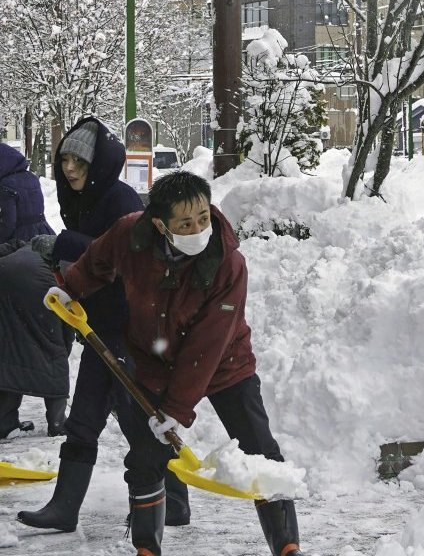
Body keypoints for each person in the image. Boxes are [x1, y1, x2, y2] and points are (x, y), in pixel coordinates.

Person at [44, 171, 304, 556]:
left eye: (203, 216)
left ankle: (287, 545)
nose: (198, 227)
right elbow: (97, 261)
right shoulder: (130, 235)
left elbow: (208, 344)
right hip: (154, 361)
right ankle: (146, 547)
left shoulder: (227, 263)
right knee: (147, 456)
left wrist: (176, 410)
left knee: (260, 450)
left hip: (225, 365)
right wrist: (69, 290)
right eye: (185, 222)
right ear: (160, 224)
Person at [19, 117, 191, 532]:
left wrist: (64, 245)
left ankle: (175, 500)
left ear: (97, 164)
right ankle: (64, 508)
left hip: (131, 331)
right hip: (100, 328)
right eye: (65, 160)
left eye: (79, 161)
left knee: (137, 420)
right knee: (84, 420)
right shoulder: (82, 200)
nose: (70, 169)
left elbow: (126, 259)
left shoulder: (122, 200)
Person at [0, 241, 72, 438]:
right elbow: (68, 320)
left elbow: (9, 246)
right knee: (54, 356)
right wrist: (64, 347)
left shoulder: (31, 245)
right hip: (40, 289)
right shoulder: (70, 260)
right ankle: (57, 424)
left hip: (3, 277)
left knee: (9, 354)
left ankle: (5, 423)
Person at [0, 143, 54, 243]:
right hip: (43, 231)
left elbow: (9, 223)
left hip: (21, 237)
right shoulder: (32, 177)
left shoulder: (6, 184)